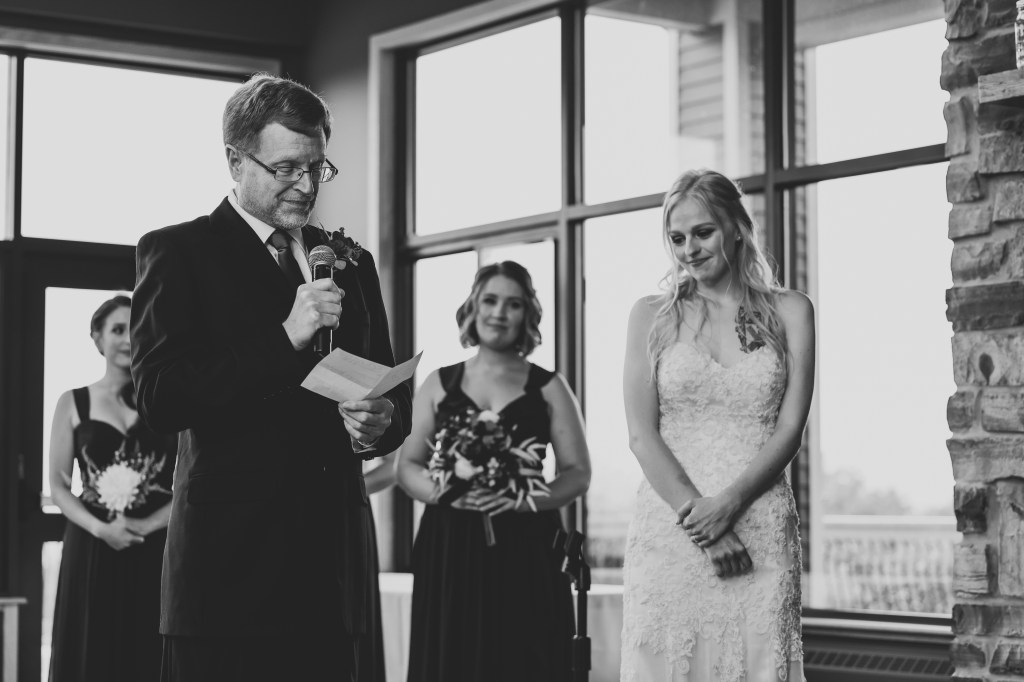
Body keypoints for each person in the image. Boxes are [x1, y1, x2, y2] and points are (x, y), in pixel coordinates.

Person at [130, 73, 412, 682]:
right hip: (226, 574)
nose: (306, 186)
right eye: (286, 168)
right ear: (236, 160)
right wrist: (284, 339)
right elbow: (160, 397)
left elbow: (391, 390)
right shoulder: (179, 253)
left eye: (316, 168)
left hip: (333, 571)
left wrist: (381, 422)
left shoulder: (351, 262)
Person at [620, 169, 814, 681]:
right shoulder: (650, 315)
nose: (689, 249)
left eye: (702, 232)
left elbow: (790, 428)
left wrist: (729, 505)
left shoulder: (792, 311)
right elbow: (641, 435)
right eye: (677, 238)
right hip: (673, 526)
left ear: (736, 226)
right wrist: (703, 526)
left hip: (760, 523)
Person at [396, 260, 591, 682]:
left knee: (525, 656)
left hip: (527, 543)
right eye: (490, 300)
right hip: (450, 543)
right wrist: (447, 493)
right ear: (473, 307)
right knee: (452, 656)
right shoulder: (439, 382)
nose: (499, 312)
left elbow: (577, 473)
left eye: (513, 304)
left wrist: (523, 502)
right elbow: (407, 466)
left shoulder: (550, 387)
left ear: (527, 314)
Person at [48, 295, 176, 682]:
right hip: (92, 545)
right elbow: (58, 486)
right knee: (91, 644)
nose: (128, 339)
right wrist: (102, 529)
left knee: (148, 645)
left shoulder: (167, 403)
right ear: (97, 338)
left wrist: (147, 525)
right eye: (118, 329)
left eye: (135, 329)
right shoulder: (73, 402)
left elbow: (188, 479)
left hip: (155, 544)